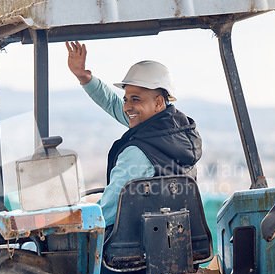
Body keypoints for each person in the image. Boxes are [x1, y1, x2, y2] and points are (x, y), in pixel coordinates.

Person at [66, 41, 202, 227]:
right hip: (172, 237)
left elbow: (106, 213)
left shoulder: (139, 153)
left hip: (130, 245)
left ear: (158, 103)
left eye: (135, 99)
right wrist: (84, 78)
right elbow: (115, 105)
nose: (127, 107)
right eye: (126, 99)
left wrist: (71, 224)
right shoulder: (176, 133)